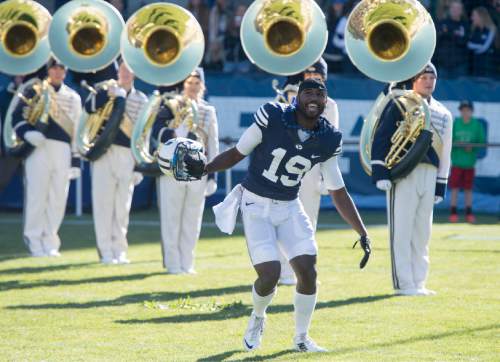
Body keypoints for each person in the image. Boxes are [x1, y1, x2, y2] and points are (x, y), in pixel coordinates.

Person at [183, 78, 371, 352]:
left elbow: (338, 191)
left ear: (326, 102)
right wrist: (206, 168)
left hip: (289, 206)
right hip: (256, 204)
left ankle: (301, 338)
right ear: (297, 98)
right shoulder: (273, 116)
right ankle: (258, 317)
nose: (314, 98)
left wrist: (362, 231)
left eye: (320, 95)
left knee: (308, 270)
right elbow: (237, 153)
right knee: (269, 274)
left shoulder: (328, 138)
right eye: (308, 93)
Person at [371, 63, 453, 296]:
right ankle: (403, 284)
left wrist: (440, 184)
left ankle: (419, 282)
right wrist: (381, 172)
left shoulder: (444, 113)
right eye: (423, 76)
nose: (428, 81)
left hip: (429, 175)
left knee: (422, 232)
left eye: (432, 77)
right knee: (402, 230)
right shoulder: (400, 102)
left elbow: (445, 152)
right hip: (404, 172)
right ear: (414, 79)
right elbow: (382, 137)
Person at [278, 58, 340, 285]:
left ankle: (302, 272)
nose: (313, 79)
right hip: (286, 167)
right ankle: (283, 270)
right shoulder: (290, 100)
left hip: (313, 169)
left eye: (318, 76)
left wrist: (327, 176)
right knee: (284, 218)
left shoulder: (330, 105)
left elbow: (332, 144)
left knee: (307, 222)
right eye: (309, 76)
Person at [12, 59, 82, 257]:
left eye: (61, 68)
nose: (58, 71)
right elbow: (17, 117)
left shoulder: (73, 97)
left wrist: (76, 160)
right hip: (38, 148)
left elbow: (76, 130)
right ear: (47, 69)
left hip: (62, 150)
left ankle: (50, 241)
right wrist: (27, 133)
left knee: (58, 198)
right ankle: (33, 240)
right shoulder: (34, 89)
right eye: (54, 67)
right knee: (37, 196)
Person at [84, 62, 148, 264]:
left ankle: (119, 250)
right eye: (122, 70)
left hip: (128, 155)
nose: (126, 74)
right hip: (104, 153)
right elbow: (89, 108)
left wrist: (139, 164)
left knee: (122, 206)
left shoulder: (141, 99)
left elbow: (143, 134)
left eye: (129, 70)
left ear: (134, 74)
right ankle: (105, 251)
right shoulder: (106, 90)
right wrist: (107, 94)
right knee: (103, 204)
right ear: (117, 72)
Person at [157, 67, 219, 274]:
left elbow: (213, 144)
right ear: (183, 85)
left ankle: (187, 263)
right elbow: (156, 132)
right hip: (172, 166)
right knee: (171, 216)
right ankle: (173, 263)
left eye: (196, 83)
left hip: (197, 168)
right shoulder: (171, 105)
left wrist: (212, 175)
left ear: (202, 86)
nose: (192, 87)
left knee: (193, 219)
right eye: (189, 83)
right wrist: (174, 131)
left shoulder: (208, 111)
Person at [448, 100, 486, 223]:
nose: (465, 112)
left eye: (467, 110)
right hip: (456, 163)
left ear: (472, 111)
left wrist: (472, 146)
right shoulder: (456, 123)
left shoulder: (477, 125)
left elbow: (482, 141)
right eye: (463, 110)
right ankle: (453, 212)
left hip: (470, 163)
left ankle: (468, 213)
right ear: (460, 111)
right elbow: (449, 141)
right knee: (454, 188)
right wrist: (457, 144)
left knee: (468, 189)